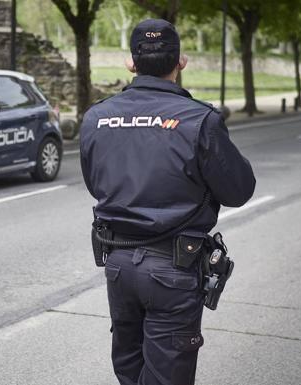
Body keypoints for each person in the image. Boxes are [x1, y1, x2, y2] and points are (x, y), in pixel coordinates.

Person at [79, 19, 256, 385]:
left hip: (119, 267)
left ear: (131, 63)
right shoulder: (199, 120)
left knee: (131, 373)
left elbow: (95, 182)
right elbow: (239, 190)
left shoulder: (97, 117)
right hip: (173, 273)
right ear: (181, 62)